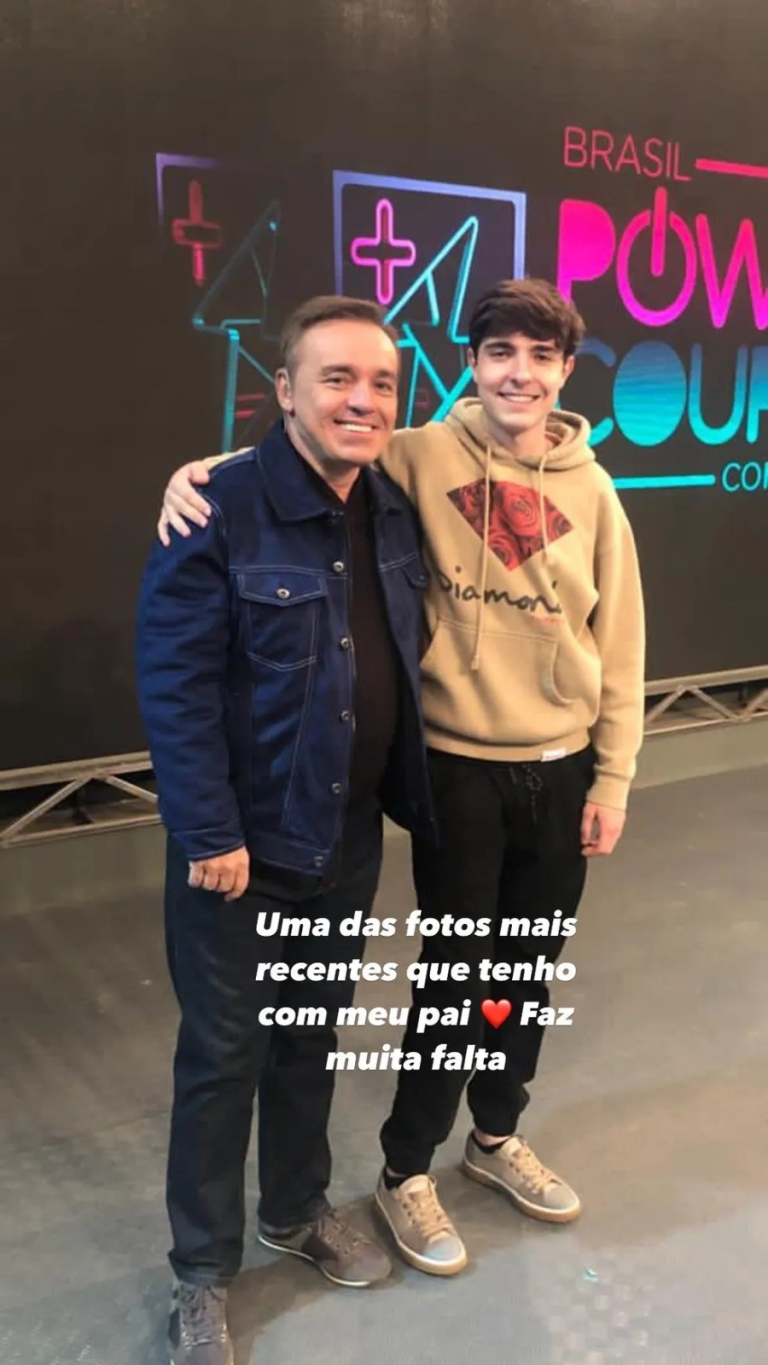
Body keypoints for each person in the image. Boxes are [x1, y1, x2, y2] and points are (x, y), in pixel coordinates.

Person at [157, 278, 646, 1280]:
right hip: (418, 785)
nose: (520, 373)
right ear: (471, 362)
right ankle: (380, 1182)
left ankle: (476, 1141)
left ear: (567, 371)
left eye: (542, 356)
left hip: (499, 789)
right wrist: (196, 472)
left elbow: (624, 645)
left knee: (507, 982)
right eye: (500, 351)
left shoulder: (560, 494)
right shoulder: (406, 458)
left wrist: (613, 778)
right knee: (424, 987)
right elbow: (283, 475)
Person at [136, 294, 436, 1364]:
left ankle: (296, 1211)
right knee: (224, 1056)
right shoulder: (216, 507)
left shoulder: (393, 507)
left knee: (310, 1034)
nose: (362, 399)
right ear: (286, 392)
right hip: (238, 851)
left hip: (343, 836)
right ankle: (201, 1274)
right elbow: (174, 684)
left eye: (382, 382)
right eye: (336, 378)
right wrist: (207, 831)